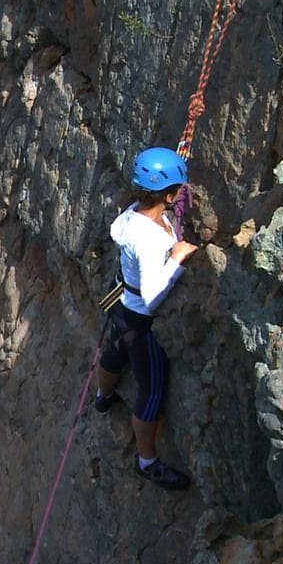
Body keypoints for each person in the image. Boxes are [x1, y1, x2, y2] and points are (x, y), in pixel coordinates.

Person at [93, 146, 199, 490]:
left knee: (113, 351)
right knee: (151, 390)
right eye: (176, 191)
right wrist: (178, 259)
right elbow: (153, 298)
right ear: (168, 194)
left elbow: (151, 222)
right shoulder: (152, 240)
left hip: (120, 301)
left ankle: (103, 398)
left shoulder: (131, 215)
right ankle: (147, 462)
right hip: (140, 319)